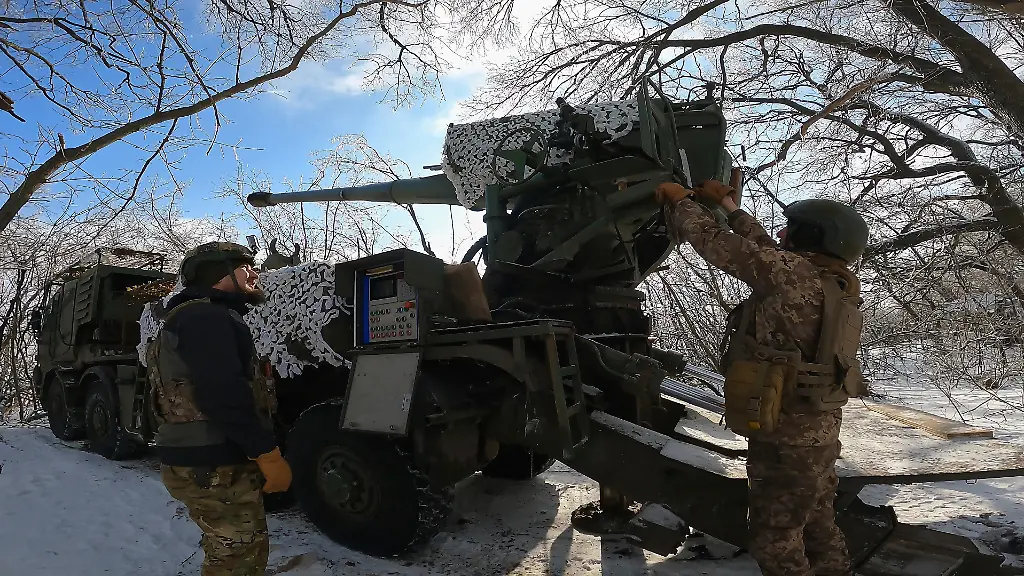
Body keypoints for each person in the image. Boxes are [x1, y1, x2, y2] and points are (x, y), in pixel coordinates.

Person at [655, 180, 869, 576]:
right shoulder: (832, 281)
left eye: (793, 228)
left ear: (813, 236)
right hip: (817, 430)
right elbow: (768, 250)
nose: (783, 233)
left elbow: (712, 240)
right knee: (819, 525)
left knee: (776, 539)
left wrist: (681, 201)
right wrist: (729, 205)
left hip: (783, 436)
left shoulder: (787, 273)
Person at [147, 241, 293, 576]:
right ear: (219, 274)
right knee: (237, 558)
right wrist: (266, 454)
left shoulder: (192, 316)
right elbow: (221, 393)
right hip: (213, 461)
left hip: (203, 457)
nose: (254, 274)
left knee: (232, 550)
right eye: (245, 267)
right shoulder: (205, 317)